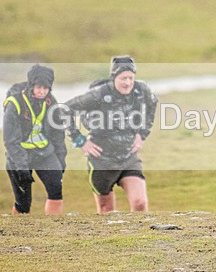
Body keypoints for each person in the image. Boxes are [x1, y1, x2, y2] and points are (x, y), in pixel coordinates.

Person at [64, 56, 158, 214]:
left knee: (140, 203)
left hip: (128, 157)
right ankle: (112, 238)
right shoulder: (98, 94)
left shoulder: (141, 90)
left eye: (131, 78)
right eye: (123, 78)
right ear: (114, 77)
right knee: (106, 210)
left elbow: (153, 104)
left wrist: (142, 134)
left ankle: (140, 237)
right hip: (102, 160)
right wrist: (79, 140)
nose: (127, 82)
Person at [3, 64, 67, 215]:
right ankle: (19, 234)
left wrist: (60, 159)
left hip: (44, 153)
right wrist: (21, 166)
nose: (42, 91)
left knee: (55, 188)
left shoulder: (51, 101)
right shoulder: (15, 103)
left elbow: (58, 133)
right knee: (23, 204)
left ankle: (54, 230)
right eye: (39, 87)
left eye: (46, 88)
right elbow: (10, 140)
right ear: (31, 85)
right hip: (19, 156)